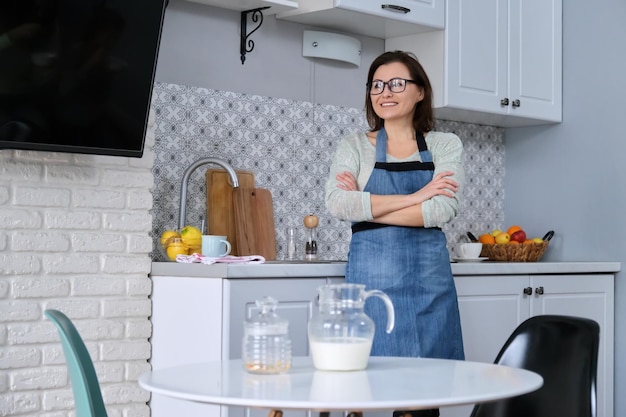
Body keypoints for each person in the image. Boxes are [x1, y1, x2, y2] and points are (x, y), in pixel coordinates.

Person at [325, 50, 465, 417]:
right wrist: (417, 196)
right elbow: (339, 205)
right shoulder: (353, 146)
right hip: (373, 292)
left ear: (420, 91)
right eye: (377, 85)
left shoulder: (444, 145)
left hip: (428, 292)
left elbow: (441, 211)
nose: (385, 92)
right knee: (369, 389)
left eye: (397, 83)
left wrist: (369, 205)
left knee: (424, 396)